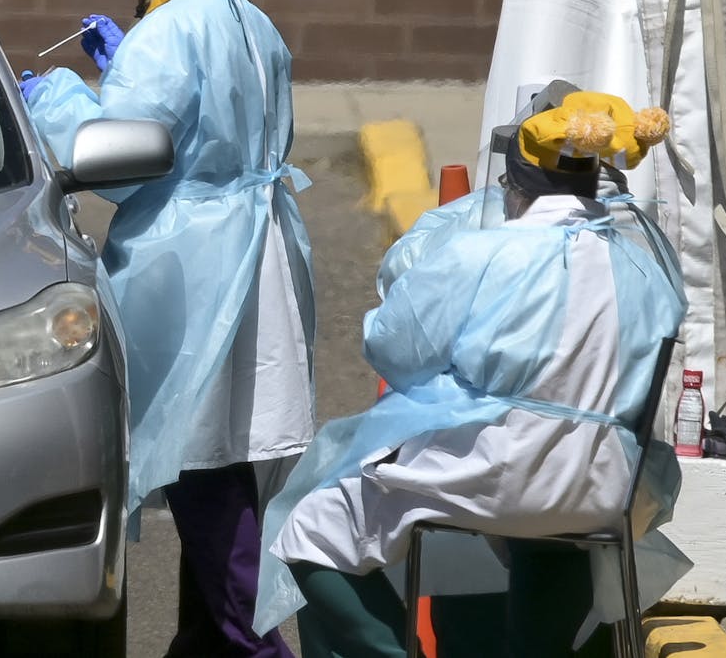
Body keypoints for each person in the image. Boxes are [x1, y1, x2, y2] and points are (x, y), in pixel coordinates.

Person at [252, 91, 689, 658]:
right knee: (551, 539)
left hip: (497, 472)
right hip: (609, 486)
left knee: (309, 529)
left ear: (516, 187)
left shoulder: (482, 252)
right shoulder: (643, 261)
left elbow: (393, 348)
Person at [19, 0, 316, 658]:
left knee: (205, 465)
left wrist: (56, 97)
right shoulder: (246, 17)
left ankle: (251, 644)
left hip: (197, 268)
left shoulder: (165, 37)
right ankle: (211, 642)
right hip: (256, 257)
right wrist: (125, 67)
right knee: (229, 459)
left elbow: (106, 160)